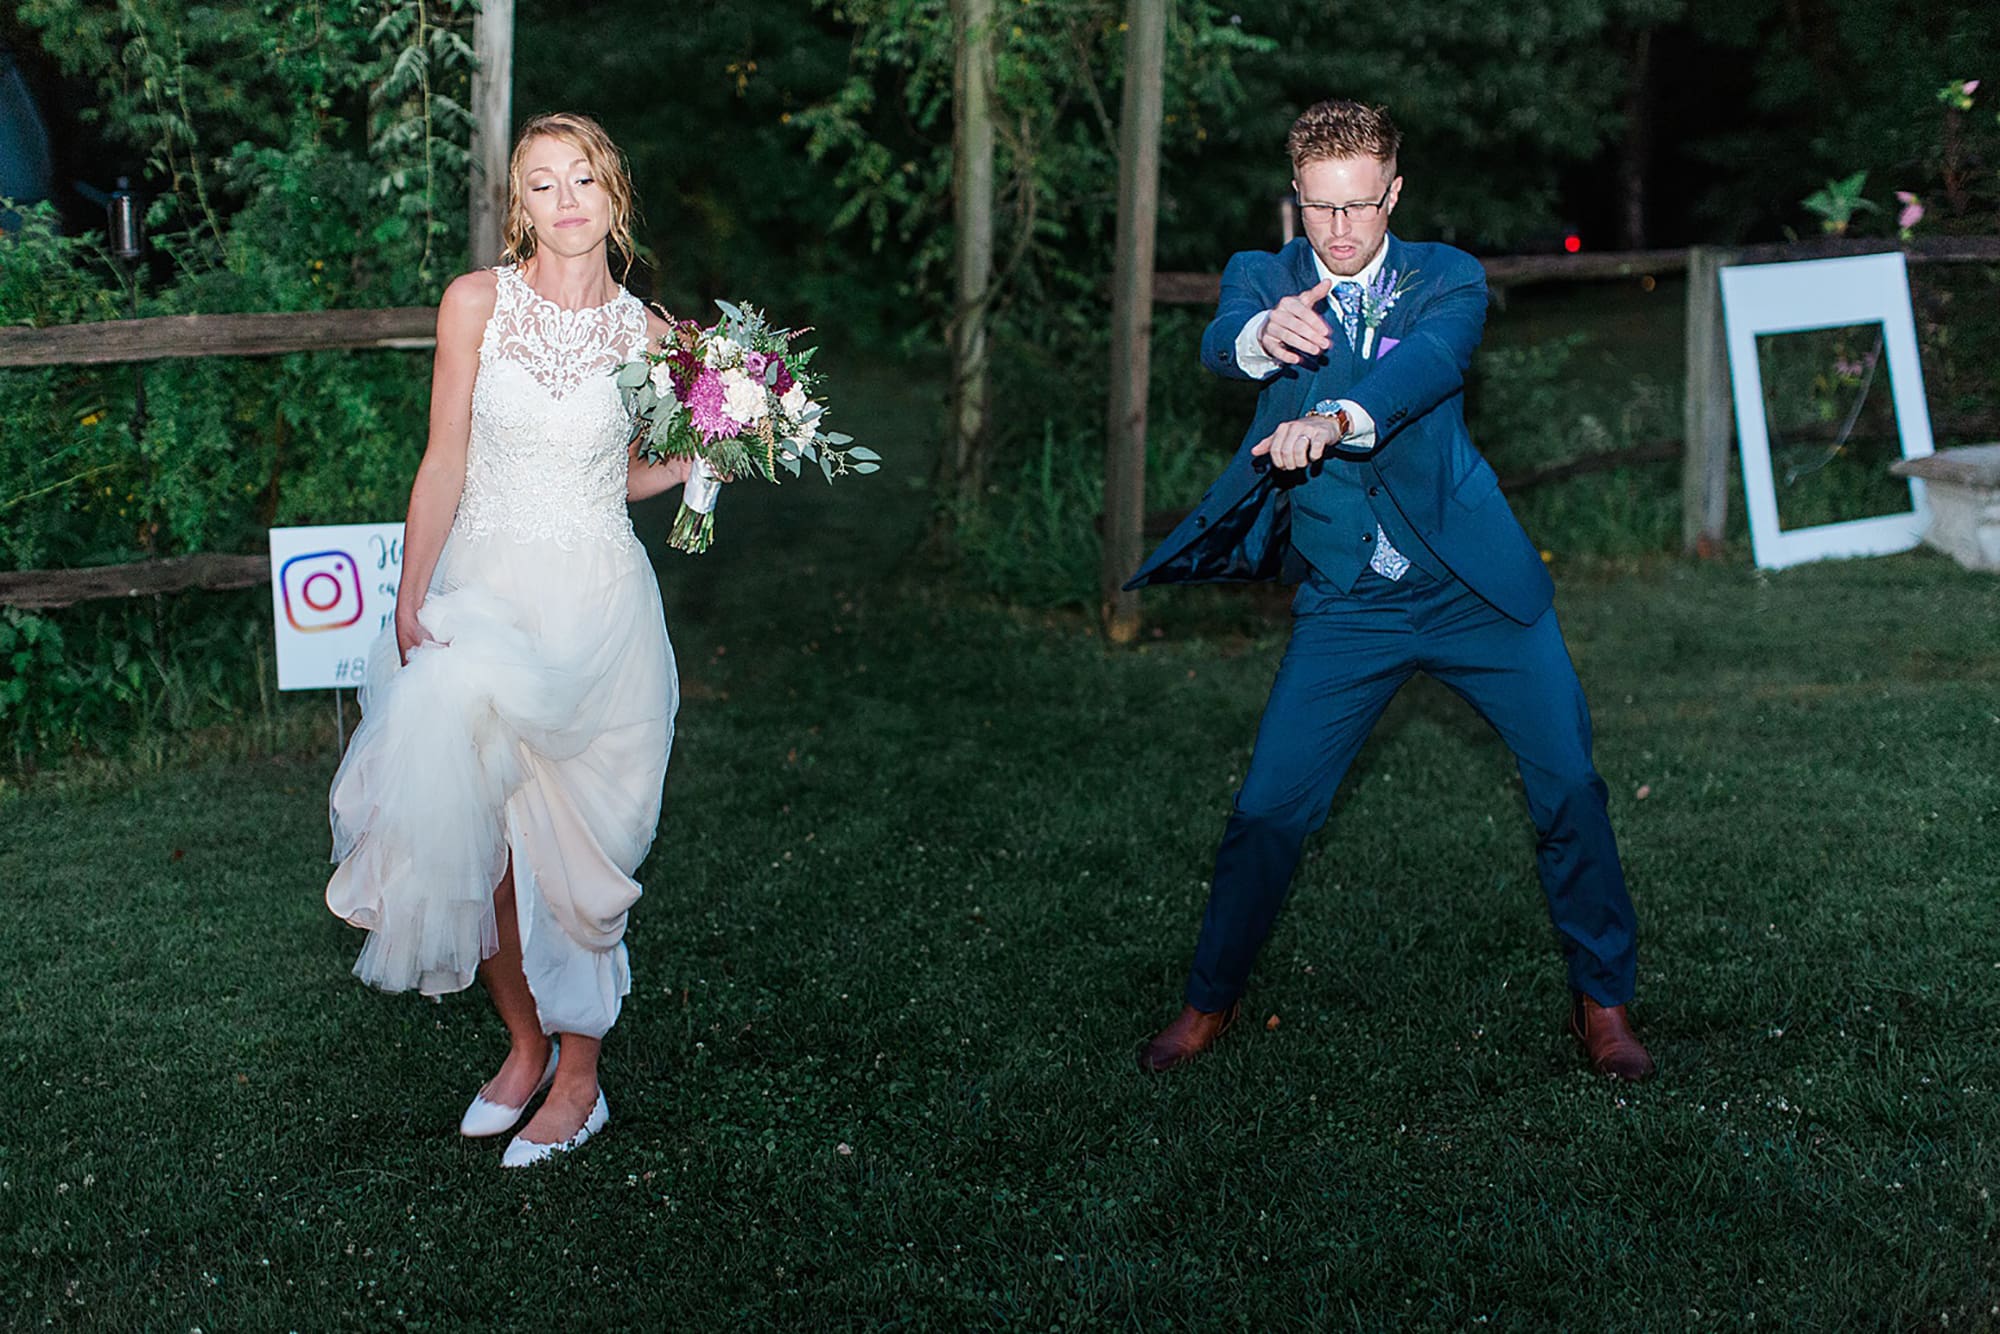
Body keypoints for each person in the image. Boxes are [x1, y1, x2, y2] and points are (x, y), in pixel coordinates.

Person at [1127, 100, 1654, 1081]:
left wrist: (1331, 413)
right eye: (1319, 209)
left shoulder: (1445, 275)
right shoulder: (1261, 276)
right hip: (1347, 599)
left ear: (1392, 193)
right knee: (1268, 810)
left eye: (1359, 207)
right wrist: (1260, 339)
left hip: (1472, 587)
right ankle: (1206, 1001)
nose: (1338, 231)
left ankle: (1603, 1001)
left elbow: (1427, 363)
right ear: (1296, 200)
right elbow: (1222, 341)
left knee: (1569, 785)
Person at [325, 111, 697, 1166]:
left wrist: (706, 452)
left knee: (580, 857)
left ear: (612, 197)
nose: (566, 198)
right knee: (474, 837)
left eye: (584, 177)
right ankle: (525, 1044)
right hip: (481, 593)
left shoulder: (651, 335)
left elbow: (623, 471)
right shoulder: (475, 305)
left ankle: (581, 1078)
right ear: (517, 205)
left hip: (596, 610)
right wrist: (411, 585)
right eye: (543, 183)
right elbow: (445, 457)